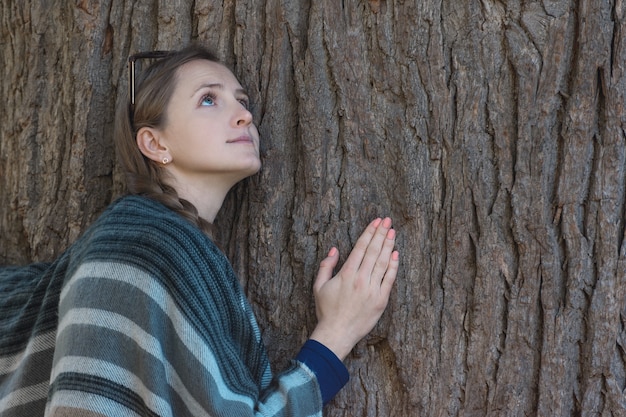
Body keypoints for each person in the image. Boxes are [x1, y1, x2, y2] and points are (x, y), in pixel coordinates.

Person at [0, 44, 399, 416]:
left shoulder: (166, 244)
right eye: (209, 99)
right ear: (155, 144)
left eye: (242, 101)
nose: (244, 114)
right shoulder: (140, 248)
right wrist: (338, 331)